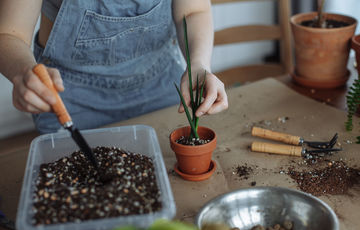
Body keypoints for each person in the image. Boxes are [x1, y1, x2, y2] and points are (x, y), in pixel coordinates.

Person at [0, 0, 228, 134]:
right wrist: (24, 72)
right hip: (70, 97)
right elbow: (8, 34)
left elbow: (193, 11)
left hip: (159, 84)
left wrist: (198, 64)